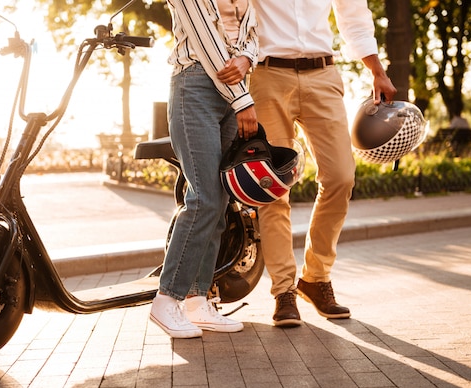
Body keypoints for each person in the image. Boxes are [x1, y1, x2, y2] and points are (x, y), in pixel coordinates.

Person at [248, 0, 397, 326]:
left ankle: (315, 278)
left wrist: (377, 70)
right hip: (267, 74)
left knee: (341, 177)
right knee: (274, 188)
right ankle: (283, 290)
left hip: (323, 74)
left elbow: (354, 15)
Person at [149, 0, 259, 338]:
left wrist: (247, 58)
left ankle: (198, 300)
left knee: (220, 201)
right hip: (196, 86)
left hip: (232, 91)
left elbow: (255, 33)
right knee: (204, 199)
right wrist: (242, 99)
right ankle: (166, 300)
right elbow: (205, 40)